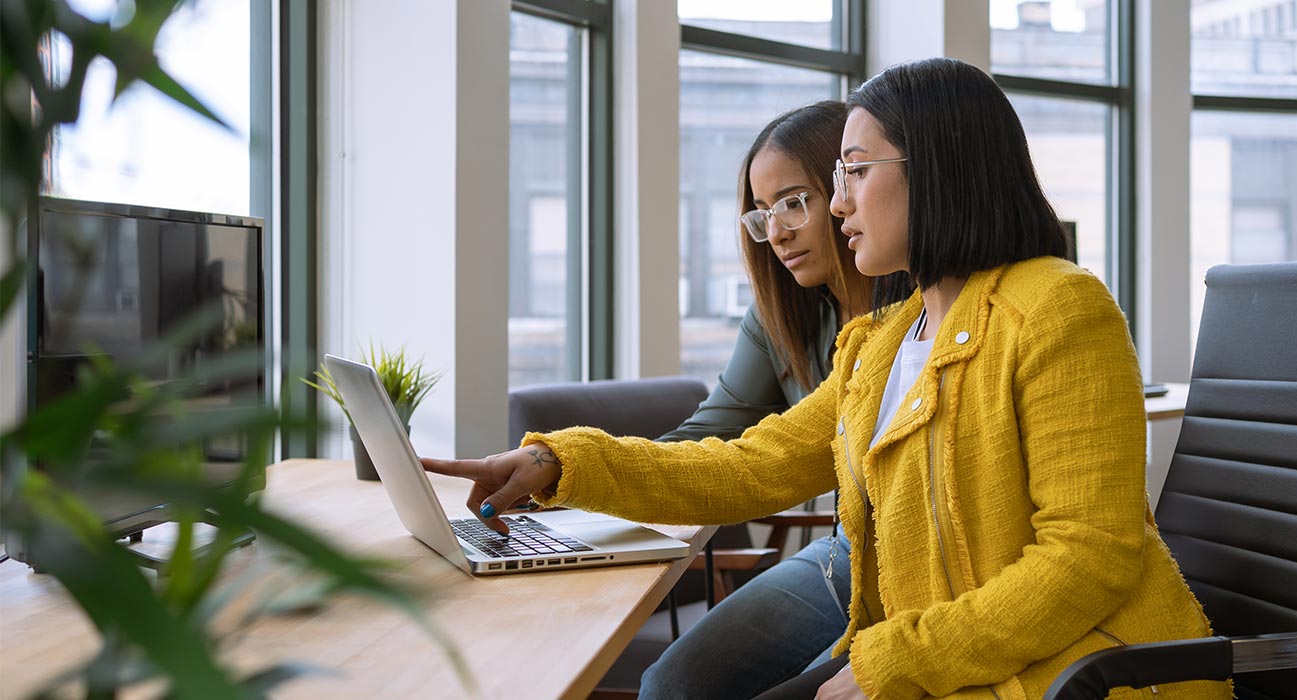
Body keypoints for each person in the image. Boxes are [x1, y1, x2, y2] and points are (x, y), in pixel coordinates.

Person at [424, 58, 1227, 699]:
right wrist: (561, 463)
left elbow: (1089, 558)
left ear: (936, 168)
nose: (838, 207)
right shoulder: (879, 343)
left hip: (1077, 668)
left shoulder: (1058, 306)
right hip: (947, 655)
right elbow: (749, 464)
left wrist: (891, 662)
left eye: (852, 172)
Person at [644, 100, 871, 699]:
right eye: (763, 213)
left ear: (850, 186)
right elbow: (710, 434)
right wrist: (568, 482)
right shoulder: (781, 316)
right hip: (847, 554)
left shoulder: (930, 310)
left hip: (916, 564)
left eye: (794, 202)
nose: (776, 231)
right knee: (673, 683)